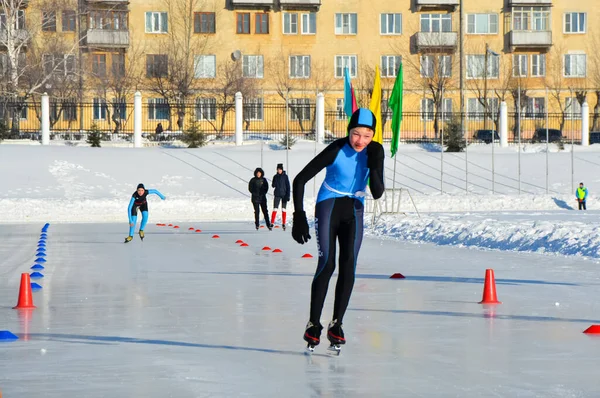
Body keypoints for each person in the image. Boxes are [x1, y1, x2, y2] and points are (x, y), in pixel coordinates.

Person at [291, 108, 385, 350]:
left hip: (355, 208)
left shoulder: (375, 150)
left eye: (367, 135)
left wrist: (374, 165)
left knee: (349, 265)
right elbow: (300, 179)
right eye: (356, 134)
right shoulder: (337, 148)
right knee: (327, 263)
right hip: (329, 205)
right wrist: (299, 215)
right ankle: (313, 324)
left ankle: (337, 323)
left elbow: (377, 192)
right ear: (348, 131)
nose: (360, 141)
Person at [271, 163, 291, 231]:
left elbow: (288, 186)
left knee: (283, 209)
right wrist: (274, 184)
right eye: (278, 169)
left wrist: (288, 195)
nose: (279, 170)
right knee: (275, 209)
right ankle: (272, 223)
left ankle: (283, 223)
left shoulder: (285, 176)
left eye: (280, 169)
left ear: (282, 170)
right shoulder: (275, 176)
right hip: (277, 194)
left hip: (284, 195)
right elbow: (273, 185)